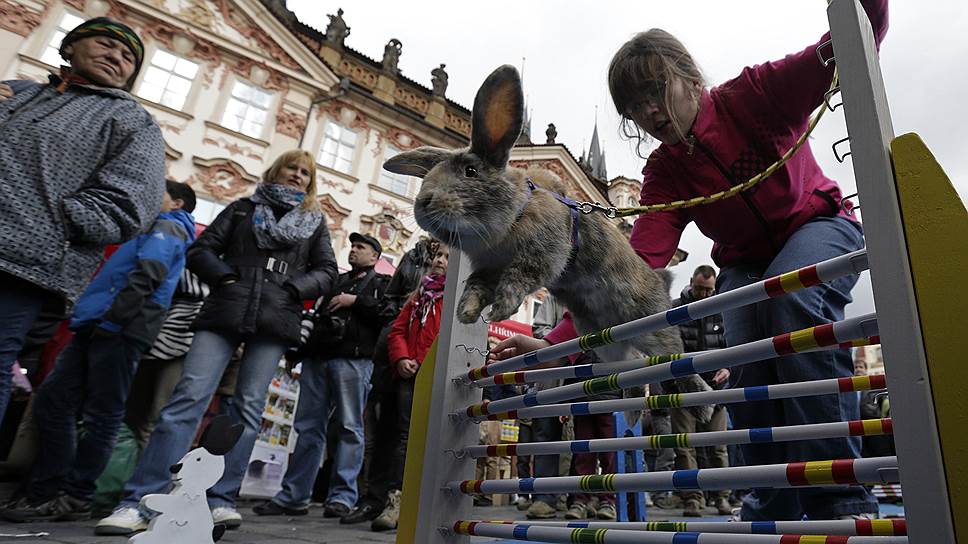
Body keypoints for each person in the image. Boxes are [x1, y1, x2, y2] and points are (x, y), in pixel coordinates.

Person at [491, 1, 888, 521]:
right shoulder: (666, 172)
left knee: (794, 304)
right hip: (746, 262)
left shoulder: (756, 95)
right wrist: (551, 344)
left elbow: (858, 36)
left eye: (655, 92)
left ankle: (840, 499)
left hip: (819, 224)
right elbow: (629, 275)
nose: (650, 113)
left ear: (687, 75)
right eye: (634, 107)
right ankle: (770, 499)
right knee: (748, 353)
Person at [97, 150, 338, 535]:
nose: (297, 175)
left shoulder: (313, 222)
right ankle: (140, 500)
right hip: (226, 307)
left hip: (276, 316)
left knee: (247, 407)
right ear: (276, 171)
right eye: (291, 168)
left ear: (311, 182)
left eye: (305, 172)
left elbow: (327, 270)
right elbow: (201, 248)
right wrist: (226, 278)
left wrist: (294, 288)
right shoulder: (243, 208)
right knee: (187, 398)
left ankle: (220, 500)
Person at [0, 16, 164, 425]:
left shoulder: (132, 121)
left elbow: (128, 205)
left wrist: (50, 222)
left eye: (128, 56)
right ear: (70, 45)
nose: (117, 57)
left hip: (25, 264)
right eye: (106, 44)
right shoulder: (18, 93)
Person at [0, 181, 196, 522]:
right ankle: (48, 489)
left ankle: (75, 494)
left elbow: (148, 273)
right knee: (56, 401)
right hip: (99, 322)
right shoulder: (151, 225)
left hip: (118, 326)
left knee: (100, 412)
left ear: (177, 202)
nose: (152, 195)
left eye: (160, 191)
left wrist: (115, 320)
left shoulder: (170, 224)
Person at [253, 232, 389, 519]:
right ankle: (294, 495)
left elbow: (388, 315)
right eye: (352, 246)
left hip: (353, 361)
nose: (353, 250)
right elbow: (313, 318)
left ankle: (341, 496)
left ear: (375, 257)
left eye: (361, 247)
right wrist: (298, 352)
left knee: (350, 428)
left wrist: (356, 301)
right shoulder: (335, 282)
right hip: (318, 358)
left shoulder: (380, 284)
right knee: (308, 427)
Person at [342, 237, 438, 526]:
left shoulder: (467, 252)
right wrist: (401, 351)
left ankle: (408, 502)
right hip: (395, 356)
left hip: (427, 362)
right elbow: (390, 305)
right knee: (383, 430)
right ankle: (373, 498)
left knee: (412, 435)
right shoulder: (414, 256)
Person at [370, 243, 449, 531]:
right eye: (438, 255)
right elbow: (399, 330)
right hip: (410, 375)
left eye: (448, 258)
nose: (439, 261)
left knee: (438, 438)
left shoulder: (458, 300)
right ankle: (397, 499)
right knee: (405, 437)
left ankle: (432, 503)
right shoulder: (419, 296)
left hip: (439, 379)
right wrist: (402, 357)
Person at [663, 265, 731, 517]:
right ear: (691, 282)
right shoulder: (674, 309)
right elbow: (663, 347)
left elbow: (732, 344)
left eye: (708, 290)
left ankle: (721, 496)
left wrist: (729, 367)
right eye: (700, 288)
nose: (704, 294)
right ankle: (692, 498)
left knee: (718, 446)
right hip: (682, 387)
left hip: (716, 388)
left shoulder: (722, 309)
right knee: (684, 446)